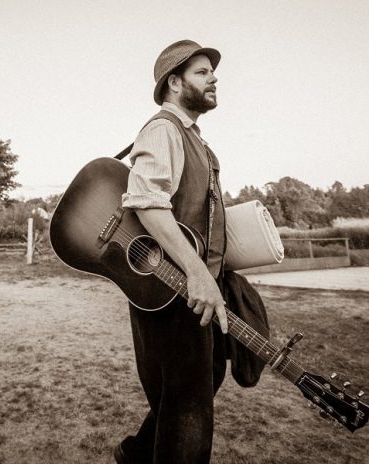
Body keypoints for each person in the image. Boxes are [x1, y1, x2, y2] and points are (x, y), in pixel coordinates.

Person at [115, 39, 231, 464]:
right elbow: (147, 203)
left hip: (196, 287)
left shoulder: (192, 137)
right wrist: (198, 273)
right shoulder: (164, 129)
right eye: (202, 73)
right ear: (174, 83)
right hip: (173, 289)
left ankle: (135, 454)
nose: (214, 78)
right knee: (187, 409)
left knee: (201, 383)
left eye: (212, 72)